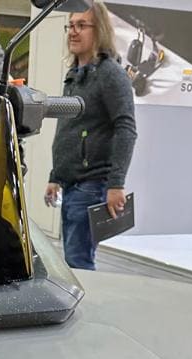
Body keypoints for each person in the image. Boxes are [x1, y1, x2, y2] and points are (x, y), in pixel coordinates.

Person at [45, 1, 136, 271]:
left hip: (91, 185)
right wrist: (56, 176)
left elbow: (126, 129)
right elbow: (68, 127)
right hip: (73, 184)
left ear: (100, 30)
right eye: (70, 25)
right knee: (74, 260)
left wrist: (116, 184)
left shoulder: (111, 75)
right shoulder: (75, 75)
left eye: (81, 25)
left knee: (79, 263)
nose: (73, 31)